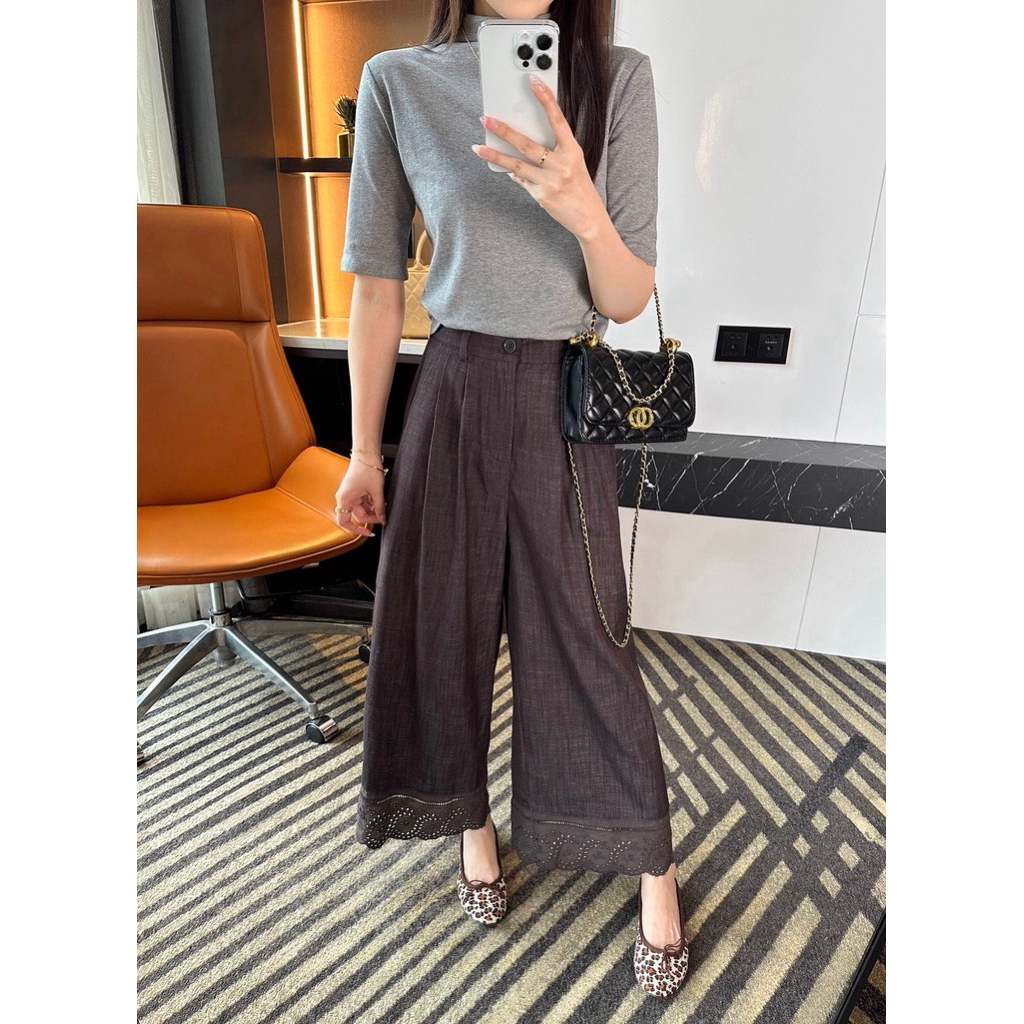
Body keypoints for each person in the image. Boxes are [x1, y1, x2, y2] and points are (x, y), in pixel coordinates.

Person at [333, 0, 689, 998]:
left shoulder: (620, 77)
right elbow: (375, 286)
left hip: (563, 393)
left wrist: (581, 206)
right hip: (449, 386)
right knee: (437, 628)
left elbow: (625, 297)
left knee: (589, 636)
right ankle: (469, 824)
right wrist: (361, 451)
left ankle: (652, 863)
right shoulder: (399, 81)